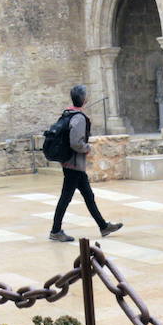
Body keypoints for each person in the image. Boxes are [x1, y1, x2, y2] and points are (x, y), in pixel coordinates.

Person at [49, 84, 122, 242]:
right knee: (66, 197)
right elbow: (76, 142)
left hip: (72, 163)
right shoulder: (79, 118)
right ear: (84, 99)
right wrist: (86, 148)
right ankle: (55, 231)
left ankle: (103, 226)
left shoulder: (67, 113)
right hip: (73, 164)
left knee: (89, 196)